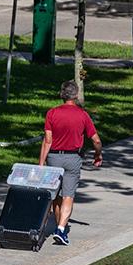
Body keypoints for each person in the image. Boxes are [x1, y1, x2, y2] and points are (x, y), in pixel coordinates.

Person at [39, 80, 103, 246]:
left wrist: (41, 163)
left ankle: (55, 226)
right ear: (75, 96)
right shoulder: (83, 115)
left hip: (53, 157)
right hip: (73, 158)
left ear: (62, 94)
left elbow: (47, 140)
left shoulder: (52, 113)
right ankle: (61, 228)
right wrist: (98, 154)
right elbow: (96, 140)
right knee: (68, 194)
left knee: (55, 195)